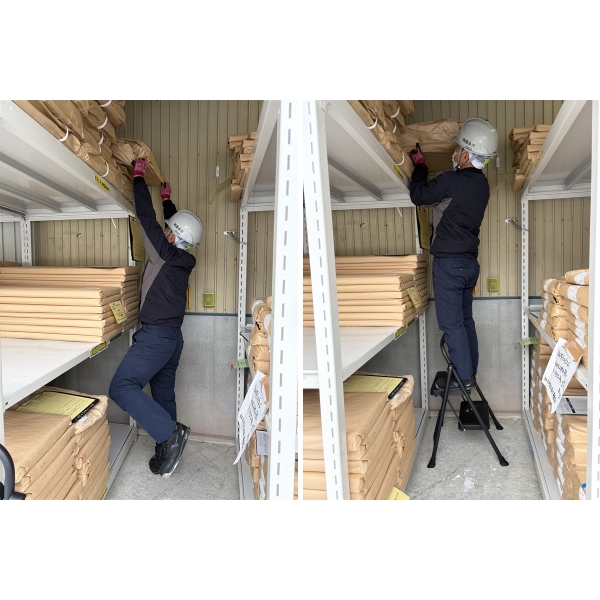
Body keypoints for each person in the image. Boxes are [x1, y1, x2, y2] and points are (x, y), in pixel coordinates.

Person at [109, 158, 204, 477]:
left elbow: (145, 218)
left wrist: (138, 178)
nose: (162, 233)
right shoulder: (182, 259)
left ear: (172, 237)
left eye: (167, 231)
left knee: (122, 386)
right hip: (173, 339)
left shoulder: (163, 253)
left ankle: (170, 434)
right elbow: (174, 226)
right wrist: (167, 200)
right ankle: (166, 452)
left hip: (156, 337)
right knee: (163, 395)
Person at [408, 118, 498, 390]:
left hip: (449, 265)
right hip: (469, 265)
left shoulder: (450, 180)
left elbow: (419, 196)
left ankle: (464, 378)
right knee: (465, 321)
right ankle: (470, 373)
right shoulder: (482, 186)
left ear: (466, 155)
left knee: (452, 324)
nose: (454, 152)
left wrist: (420, 166)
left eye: (458, 148)